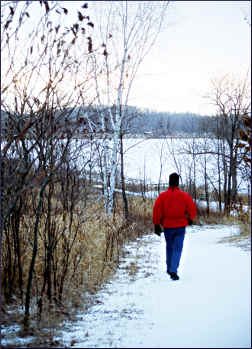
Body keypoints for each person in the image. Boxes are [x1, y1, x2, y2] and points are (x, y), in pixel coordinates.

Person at [152, 173, 197, 281]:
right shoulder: (184, 196)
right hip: (180, 226)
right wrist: (190, 218)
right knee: (177, 248)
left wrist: (156, 224)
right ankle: (173, 270)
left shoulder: (162, 196)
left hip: (168, 226)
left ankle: (169, 268)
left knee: (169, 247)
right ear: (177, 182)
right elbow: (192, 209)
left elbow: (156, 210)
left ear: (169, 182)